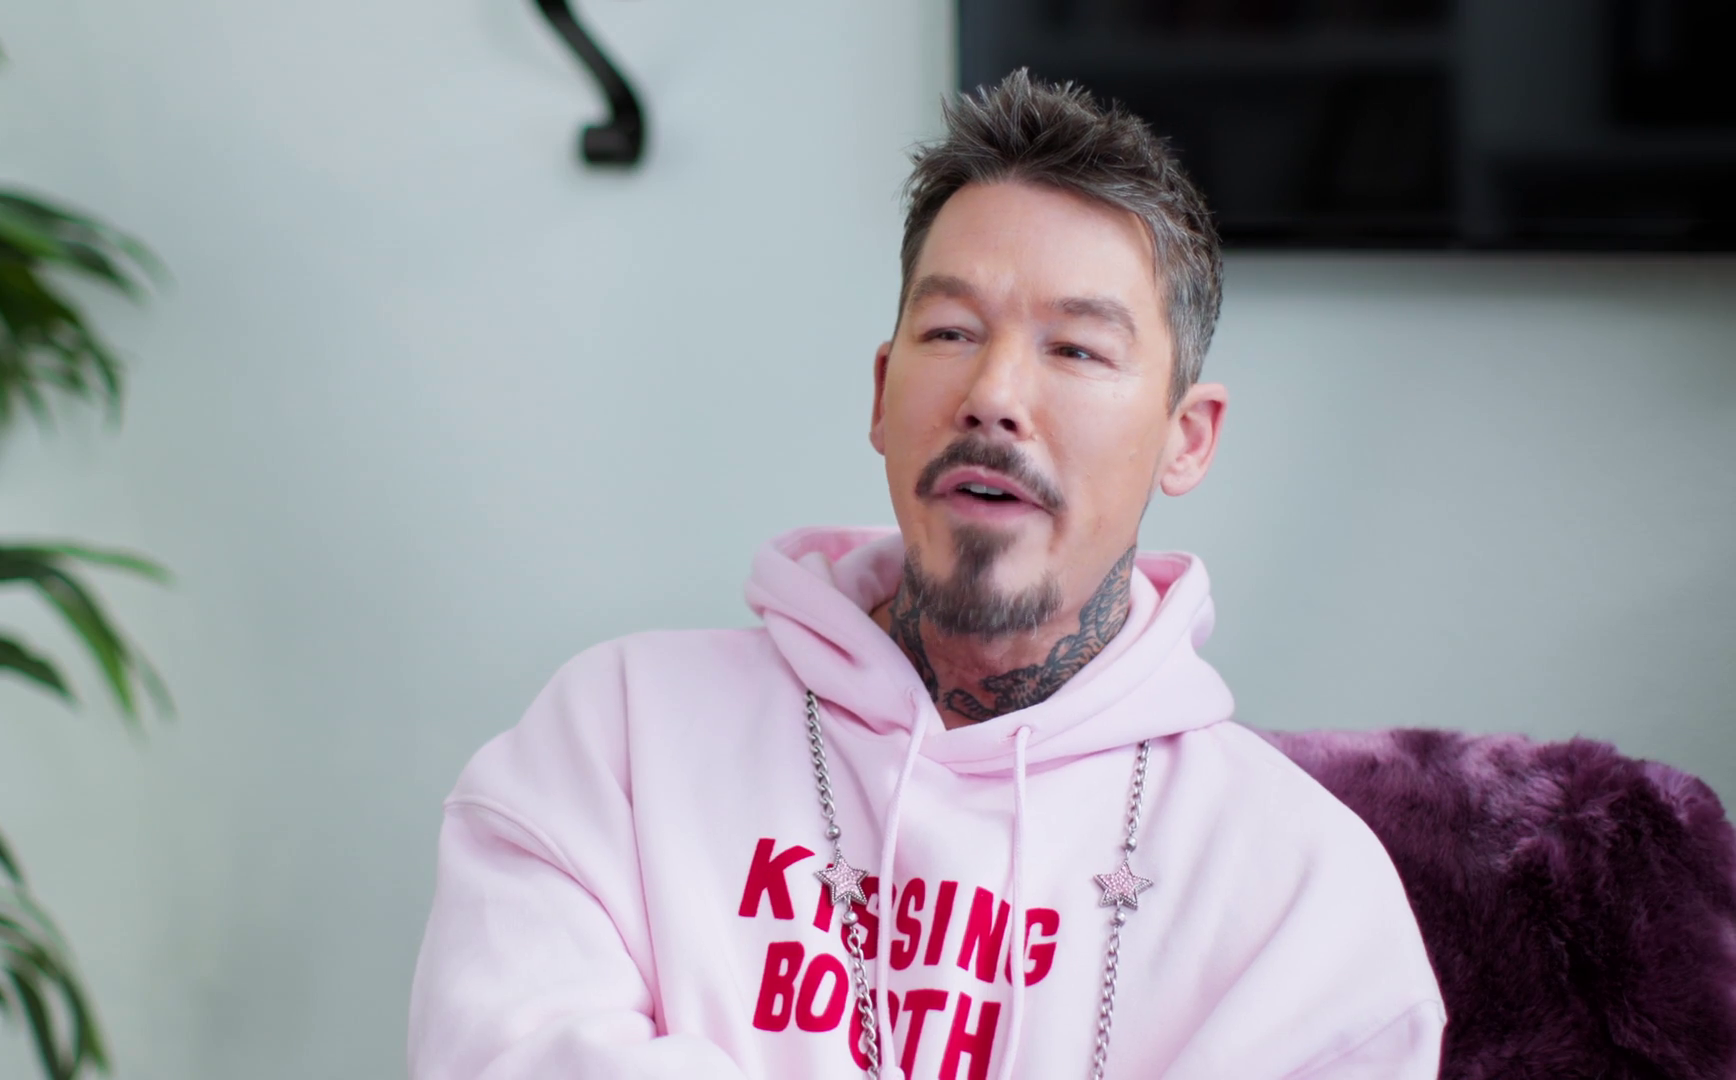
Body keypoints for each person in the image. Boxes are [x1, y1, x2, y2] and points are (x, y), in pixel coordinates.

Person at [407, 70, 1445, 1080]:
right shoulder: (616, 738)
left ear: (1188, 438)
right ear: (881, 392)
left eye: (1077, 350)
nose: (993, 394)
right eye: (951, 332)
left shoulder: (1303, 894)